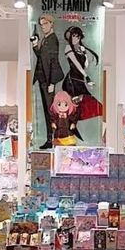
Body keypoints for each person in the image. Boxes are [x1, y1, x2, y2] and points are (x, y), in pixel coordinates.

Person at [31, 14, 65, 150]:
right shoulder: (45, 39)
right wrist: (35, 44)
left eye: (45, 24)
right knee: (47, 111)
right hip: (42, 79)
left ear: (51, 24)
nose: (43, 27)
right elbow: (41, 56)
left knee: (51, 111)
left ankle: (54, 138)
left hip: (48, 80)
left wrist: (52, 82)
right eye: (41, 25)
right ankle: (50, 138)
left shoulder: (52, 39)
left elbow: (53, 62)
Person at [62, 26, 103, 121]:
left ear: (80, 37)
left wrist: (84, 53)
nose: (74, 39)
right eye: (72, 36)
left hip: (80, 79)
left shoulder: (81, 49)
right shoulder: (68, 48)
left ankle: (73, 122)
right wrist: (87, 77)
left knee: (90, 105)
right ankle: (70, 123)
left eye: (77, 36)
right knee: (78, 105)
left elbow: (85, 65)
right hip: (72, 81)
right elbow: (77, 64)